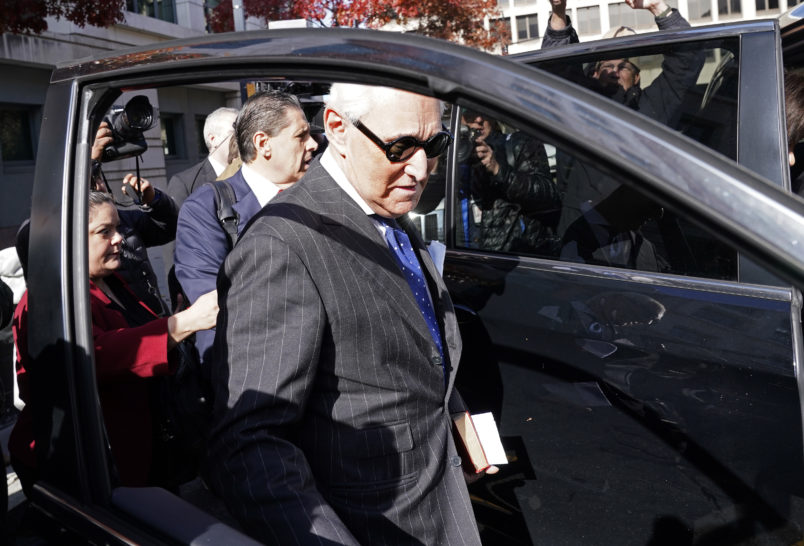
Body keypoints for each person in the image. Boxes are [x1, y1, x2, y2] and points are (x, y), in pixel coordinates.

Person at [205, 83, 487, 545]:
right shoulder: (282, 244)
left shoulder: (384, 205)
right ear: (337, 128)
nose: (421, 168)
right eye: (400, 146)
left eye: (434, 145)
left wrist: (456, 421)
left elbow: (418, 351)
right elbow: (250, 445)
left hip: (440, 501)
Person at [9, 191, 218, 492]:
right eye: (104, 232)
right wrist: (182, 323)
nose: (119, 238)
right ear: (67, 239)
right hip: (85, 464)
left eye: (117, 228)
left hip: (141, 450)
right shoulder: (46, 300)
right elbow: (92, 356)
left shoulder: (110, 281)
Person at [174, 89, 318, 366]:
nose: (312, 144)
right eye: (301, 136)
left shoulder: (318, 197)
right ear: (263, 144)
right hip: (250, 368)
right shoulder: (204, 209)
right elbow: (214, 305)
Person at [92, 122, 179, 316]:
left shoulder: (124, 220)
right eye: (104, 232)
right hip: (124, 326)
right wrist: (89, 162)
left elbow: (170, 228)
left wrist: (153, 200)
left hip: (155, 318)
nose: (117, 238)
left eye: (99, 179)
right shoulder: (63, 231)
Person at [460, 109, 560, 254]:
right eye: (470, 113)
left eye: (483, 110)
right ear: (460, 119)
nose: (479, 119)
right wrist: (436, 165)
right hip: (461, 259)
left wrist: (499, 171)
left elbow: (549, 195)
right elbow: (428, 204)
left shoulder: (518, 143)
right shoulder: (454, 155)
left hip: (516, 259)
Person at [166, 107, 239, 209]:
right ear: (213, 139)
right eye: (235, 133)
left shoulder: (253, 173)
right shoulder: (185, 184)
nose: (242, 139)